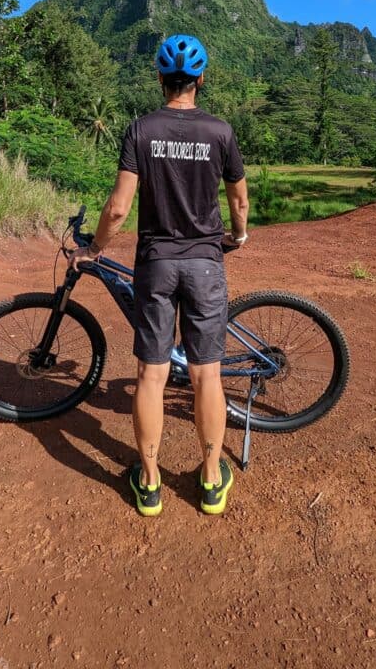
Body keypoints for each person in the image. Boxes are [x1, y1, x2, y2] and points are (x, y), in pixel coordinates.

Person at [68, 34, 249, 516]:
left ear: (159, 78)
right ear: (200, 79)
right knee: (206, 375)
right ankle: (211, 481)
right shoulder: (221, 131)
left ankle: (149, 484)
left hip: (156, 264)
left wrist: (94, 249)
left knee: (151, 374)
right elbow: (239, 201)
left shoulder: (140, 130)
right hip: (205, 262)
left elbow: (118, 207)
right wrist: (237, 236)